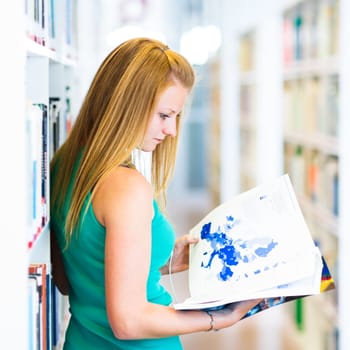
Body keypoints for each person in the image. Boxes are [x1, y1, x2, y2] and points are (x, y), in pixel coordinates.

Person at [50, 37, 261, 350]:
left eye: (175, 116)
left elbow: (71, 277)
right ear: (125, 105)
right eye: (164, 115)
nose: (172, 130)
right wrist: (219, 318)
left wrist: (164, 259)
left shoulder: (64, 164)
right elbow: (129, 321)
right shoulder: (126, 187)